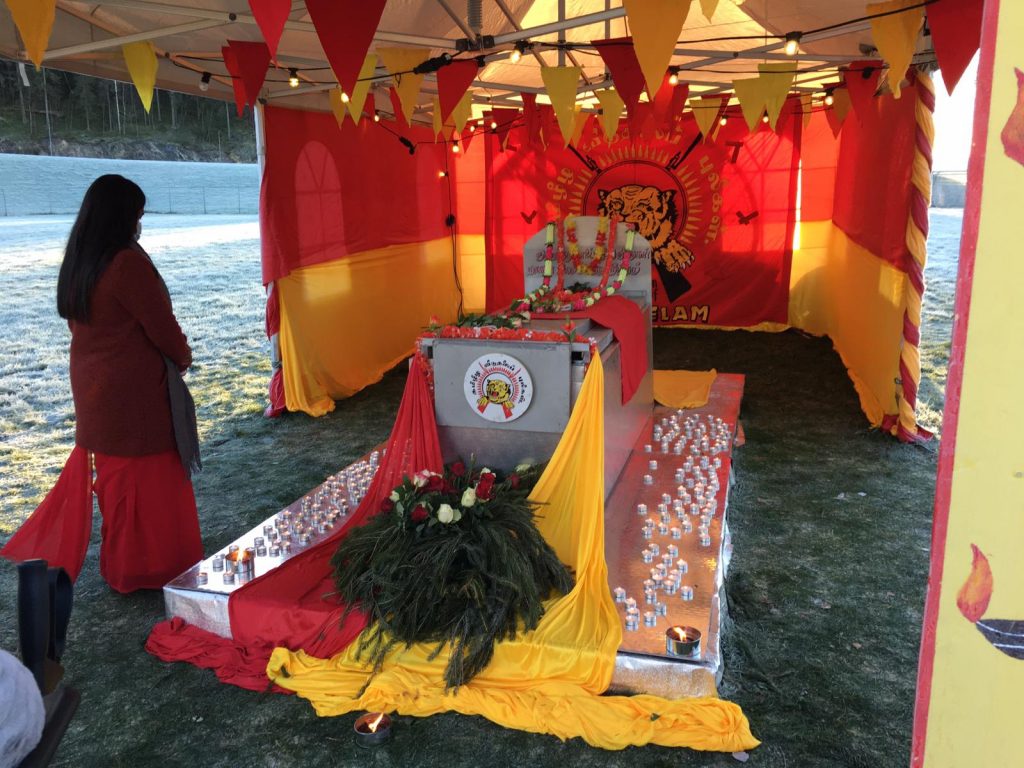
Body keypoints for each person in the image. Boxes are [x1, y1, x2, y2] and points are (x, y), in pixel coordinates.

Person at [1, 175, 203, 592]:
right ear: (121, 216)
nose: (140, 223)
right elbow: (161, 326)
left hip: (94, 388)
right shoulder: (125, 263)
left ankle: (127, 566)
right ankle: (156, 567)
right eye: (138, 214)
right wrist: (182, 356)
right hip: (134, 393)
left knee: (119, 485)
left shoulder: (82, 260)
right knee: (150, 483)